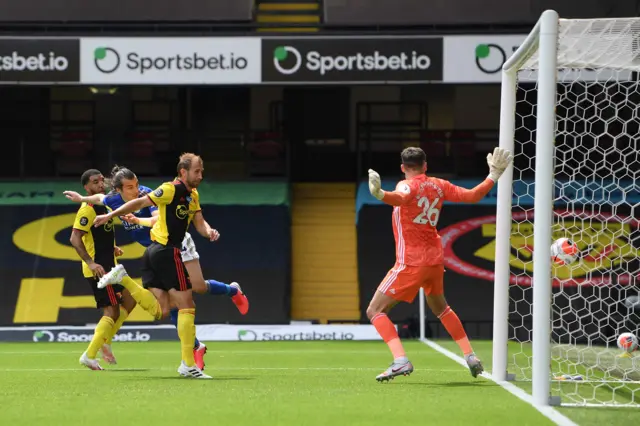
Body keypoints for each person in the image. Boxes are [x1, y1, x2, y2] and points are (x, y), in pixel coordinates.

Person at [63, 165, 249, 370]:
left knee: (198, 287)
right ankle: (195, 348)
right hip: (156, 251)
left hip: (176, 244)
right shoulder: (114, 200)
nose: (136, 190)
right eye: (130, 187)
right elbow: (98, 199)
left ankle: (232, 290)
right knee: (167, 306)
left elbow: (158, 220)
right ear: (118, 190)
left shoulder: (148, 194)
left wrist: (136, 220)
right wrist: (81, 199)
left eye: (136, 184)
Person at [366, 146, 513, 382]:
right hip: (435, 259)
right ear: (425, 165)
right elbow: (473, 196)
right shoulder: (439, 185)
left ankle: (400, 361)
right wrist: (493, 175)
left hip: (411, 262)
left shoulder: (406, 185)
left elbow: (401, 197)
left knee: (375, 310)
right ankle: (470, 356)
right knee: (441, 308)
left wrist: (380, 194)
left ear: (403, 168)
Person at [93, 153, 217, 379]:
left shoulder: (193, 195)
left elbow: (199, 223)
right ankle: (188, 365)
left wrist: (209, 232)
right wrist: (110, 215)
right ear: (183, 172)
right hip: (166, 251)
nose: (200, 175)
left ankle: (124, 279)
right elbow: (139, 202)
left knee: (163, 310)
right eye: (196, 171)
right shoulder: (169, 189)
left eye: (201, 171)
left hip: (153, 253)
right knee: (187, 305)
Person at [70, 169, 163, 370]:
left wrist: (112, 247)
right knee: (111, 311)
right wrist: (91, 262)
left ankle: (106, 341)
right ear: (86, 187)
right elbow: (75, 238)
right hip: (99, 269)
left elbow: (98, 234)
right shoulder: (87, 210)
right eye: (95, 182)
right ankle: (90, 354)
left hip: (110, 264)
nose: (100, 184)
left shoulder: (105, 206)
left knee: (129, 300)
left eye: (101, 180)